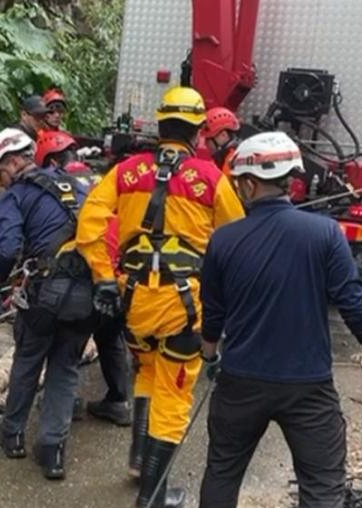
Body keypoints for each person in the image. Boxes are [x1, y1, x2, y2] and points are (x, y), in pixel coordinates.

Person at [196, 131, 362, 508]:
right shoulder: (325, 234)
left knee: (222, 472)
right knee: (322, 487)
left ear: (250, 184)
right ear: (291, 179)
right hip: (309, 387)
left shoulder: (223, 240)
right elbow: (354, 304)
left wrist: (210, 357)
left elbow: (213, 313)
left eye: (240, 183)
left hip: (240, 382)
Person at [77, 86, 244, 508]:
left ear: (160, 124)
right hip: (183, 307)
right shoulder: (210, 178)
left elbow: (89, 227)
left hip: (133, 302)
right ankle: (152, 498)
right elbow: (236, 241)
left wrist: (102, 278)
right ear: (197, 132)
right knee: (174, 396)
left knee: (148, 373)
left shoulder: (126, 171)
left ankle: (138, 462)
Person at [0, 127, 93, 480]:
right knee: (65, 367)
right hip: (87, 290)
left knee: (28, 360)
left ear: (13, 162)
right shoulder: (74, 185)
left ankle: (13, 434)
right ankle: (52, 451)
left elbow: (6, 249)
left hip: (46, 291)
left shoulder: (15, 196)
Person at [35, 129, 132, 426]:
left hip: (93, 277)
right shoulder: (99, 183)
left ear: (50, 162)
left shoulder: (65, 189)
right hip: (121, 277)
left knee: (70, 344)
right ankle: (119, 401)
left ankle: (69, 402)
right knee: (111, 340)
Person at [200, 107, 241, 175]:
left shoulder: (231, 160)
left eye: (208, 139)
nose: (205, 144)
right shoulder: (227, 156)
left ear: (223, 135)